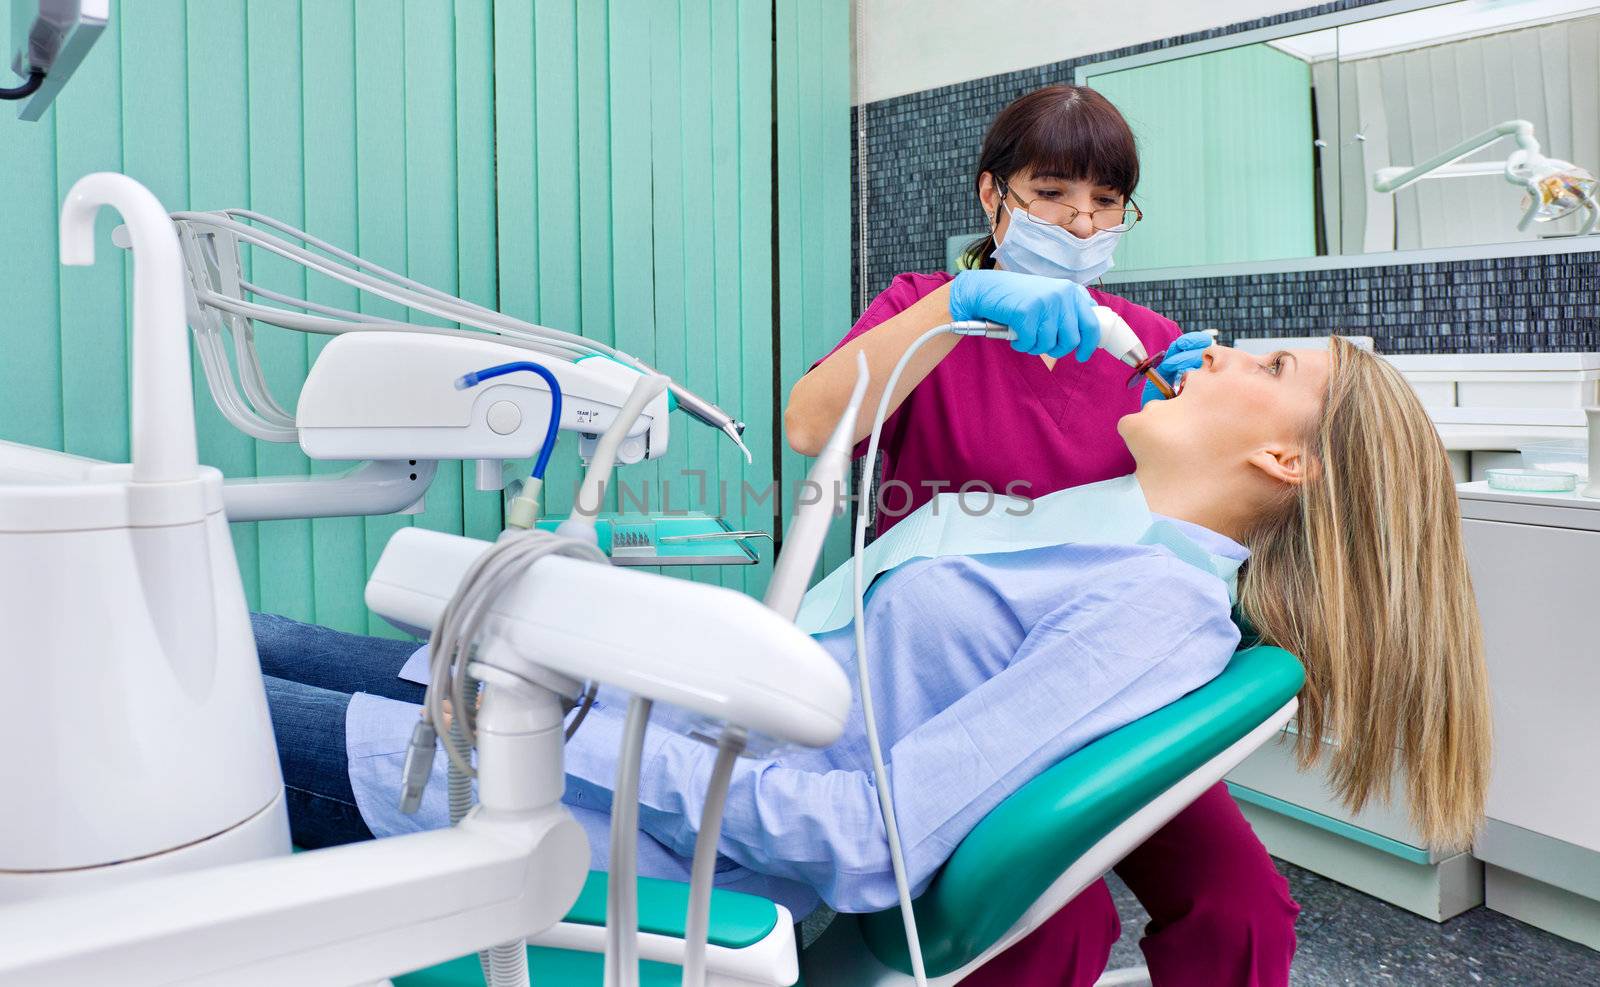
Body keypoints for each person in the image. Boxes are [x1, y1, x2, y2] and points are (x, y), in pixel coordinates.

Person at [257, 338, 1491, 986]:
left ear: (1287, 465)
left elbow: (871, 841)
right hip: (605, 742)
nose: (1217, 355)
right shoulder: (1135, 568)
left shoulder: (1151, 616)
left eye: (1269, 370)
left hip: (596, 814)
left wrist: (567, 734)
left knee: (139, 695)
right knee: (217, 647)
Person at [782, 82, 1288, 984]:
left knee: (1241, 906)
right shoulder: (928, 309)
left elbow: (1197, 516)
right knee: (1049, 918)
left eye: (1105, 203)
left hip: (1096, 670)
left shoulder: (1144, 345)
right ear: (993, 196)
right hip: (953, 679)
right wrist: (954, 310)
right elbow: (808, 426)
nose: (1084, 225)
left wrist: (1190, 411)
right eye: (1053, 195)